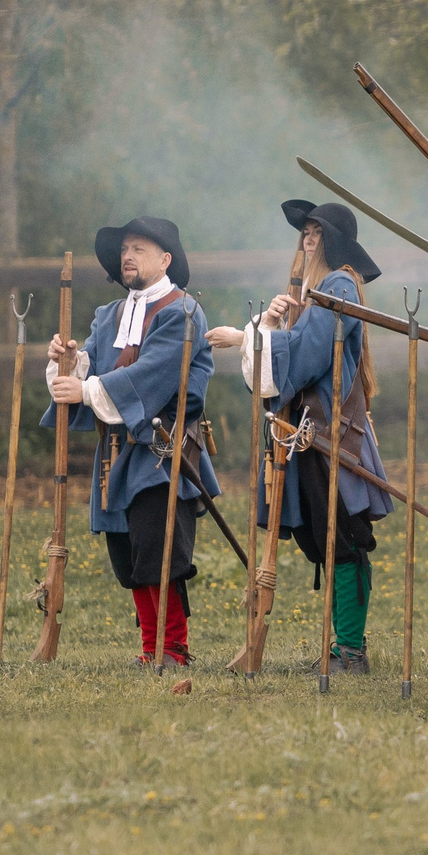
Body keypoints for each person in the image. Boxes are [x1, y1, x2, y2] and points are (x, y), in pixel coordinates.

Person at [206, 200, 390, 675]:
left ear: (334, 240)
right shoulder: (317, 290)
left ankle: (350, 651)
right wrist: (269, 325)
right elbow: (298, 351)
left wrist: (248, 336)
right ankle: (342, 647)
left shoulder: (339, 285)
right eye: (305, 232)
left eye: (317, 232)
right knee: (323, 539)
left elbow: (308, 354)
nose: (308, 240)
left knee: (345, 540)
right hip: (308, 434)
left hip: (332, 435)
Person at [44, 216, 218, 666]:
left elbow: (153, 375)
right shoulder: (110, 315)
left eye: (139, 249)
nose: (127, 256)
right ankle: (149, 649)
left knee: (159, 548)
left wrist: (86, 390)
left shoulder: (182, 312)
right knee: (127, 549)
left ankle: (173, 649)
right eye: (125, 249)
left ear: (165, 260)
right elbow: (94, 367)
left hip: (163, 449)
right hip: (117, 451)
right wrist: (71, 363)